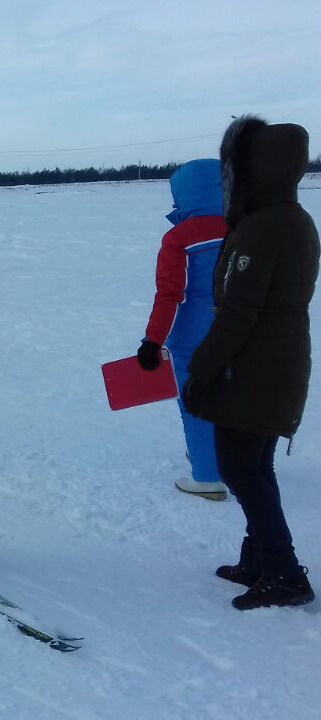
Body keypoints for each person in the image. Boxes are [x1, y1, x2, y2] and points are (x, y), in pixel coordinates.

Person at [183, 116, 317, 610]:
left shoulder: (265, 227)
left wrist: (202, 369)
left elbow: (239, 312)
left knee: (241, 469)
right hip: (274, 362)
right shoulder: (288, 218)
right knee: (253, 467)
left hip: (257, 367)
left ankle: (283, 572)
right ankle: (261, 558)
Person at [136, 159, 228, 500]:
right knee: (234, 397)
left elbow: (170, 294)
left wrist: (153, 340)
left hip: (193, 336)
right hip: (241, 331)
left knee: (196, 401)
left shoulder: (180, 237)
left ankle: (207, 477)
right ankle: (239, 463)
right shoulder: (244, 227)